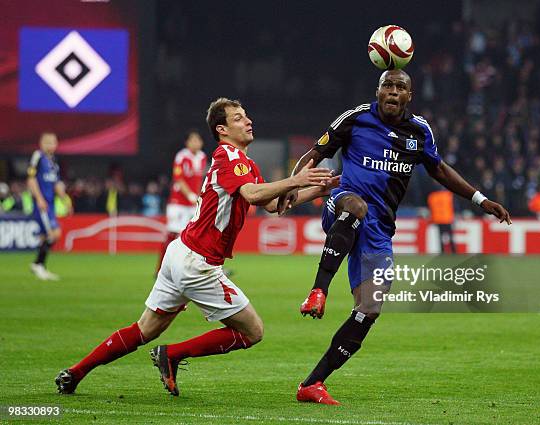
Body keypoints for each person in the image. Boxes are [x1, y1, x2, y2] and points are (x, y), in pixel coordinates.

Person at [55, 97, 338, 396]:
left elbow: (271, 203)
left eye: (246, 115)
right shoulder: (229, 156)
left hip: (180, 253)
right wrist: (296, 179)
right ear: (222, 129)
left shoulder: (245, 163)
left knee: (145, 329)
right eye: (239, 118)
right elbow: (254, 194)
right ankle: (173, 354)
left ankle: (76, 372)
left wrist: (320, 188)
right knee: (253, 331)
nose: (248, 120)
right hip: (198, 264)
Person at [282, 70, 511, 405]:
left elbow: (440, 170)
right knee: (356, 207)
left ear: (409, 95)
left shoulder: (419, 131)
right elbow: (315, 155)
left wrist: (481, 200)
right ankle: (318, 290)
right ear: (377, 91)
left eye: (399, 87)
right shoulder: (355, 119)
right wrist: (292, 184)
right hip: (344, 203)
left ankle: (312, 384)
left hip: (380, 231)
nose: (392, 91)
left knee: (370, 308)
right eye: (386, 85)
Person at [157, 130, 207, 272]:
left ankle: (195, 268)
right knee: (172, 235)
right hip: (178, 203)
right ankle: (161, 269)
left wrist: (198, 196)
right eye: (193, 140)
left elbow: (199, 180)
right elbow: (178, 178)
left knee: (196, 236)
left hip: (192, 204)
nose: (196, 143)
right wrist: (191, 195)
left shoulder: (202, 157)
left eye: (198, 140)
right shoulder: (181, 156)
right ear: (187, 142)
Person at [27, 132, 68, 281]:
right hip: (42, 203)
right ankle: (38, 264)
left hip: (50, 204)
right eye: (47, 142)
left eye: (53, 142)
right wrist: (39, 199)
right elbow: (31, 179)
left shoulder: (53, 163)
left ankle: (41, 266)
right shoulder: (38, 157)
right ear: (41, 143)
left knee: (45, 236)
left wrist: (65, 199)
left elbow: (56, 184)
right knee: (54, 233)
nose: (50, 145)